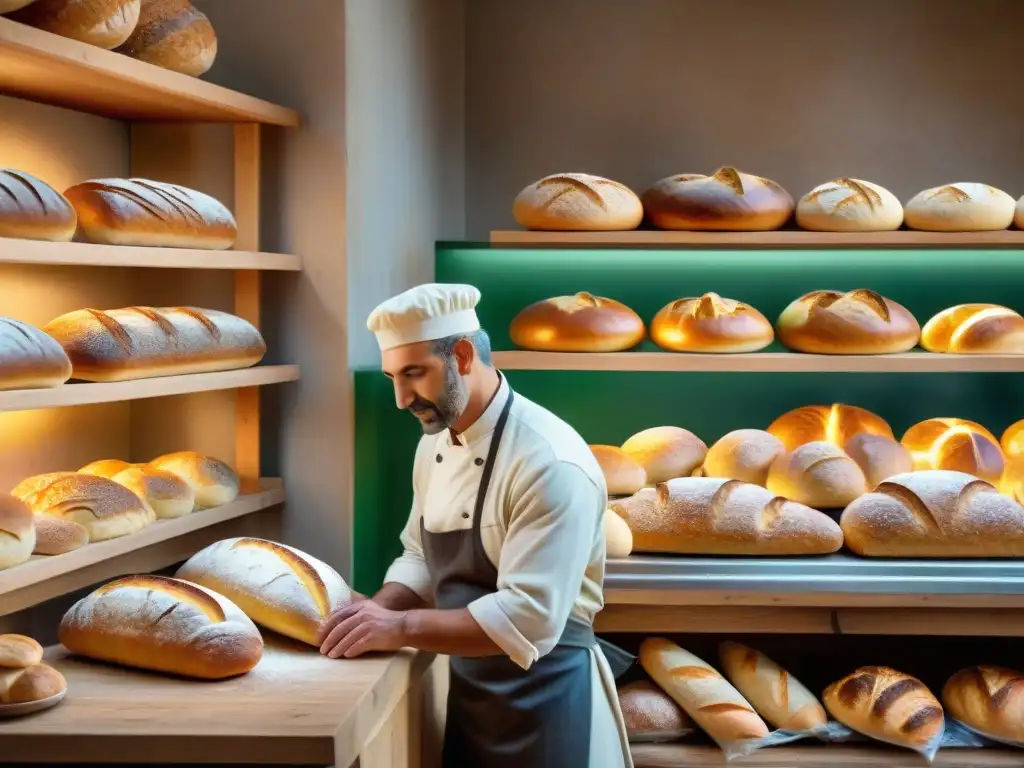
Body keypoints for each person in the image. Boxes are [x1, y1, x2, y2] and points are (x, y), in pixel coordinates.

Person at [317, 283, 633, 768]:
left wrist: (398, 626)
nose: (401, 399)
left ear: (462, 355)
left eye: (414, 374)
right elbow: (420, 554)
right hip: (473, 699)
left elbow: (529, 617)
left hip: (551, 705)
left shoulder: (550, 463)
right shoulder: (437, 440)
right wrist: (376, 613)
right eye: (391, 378)